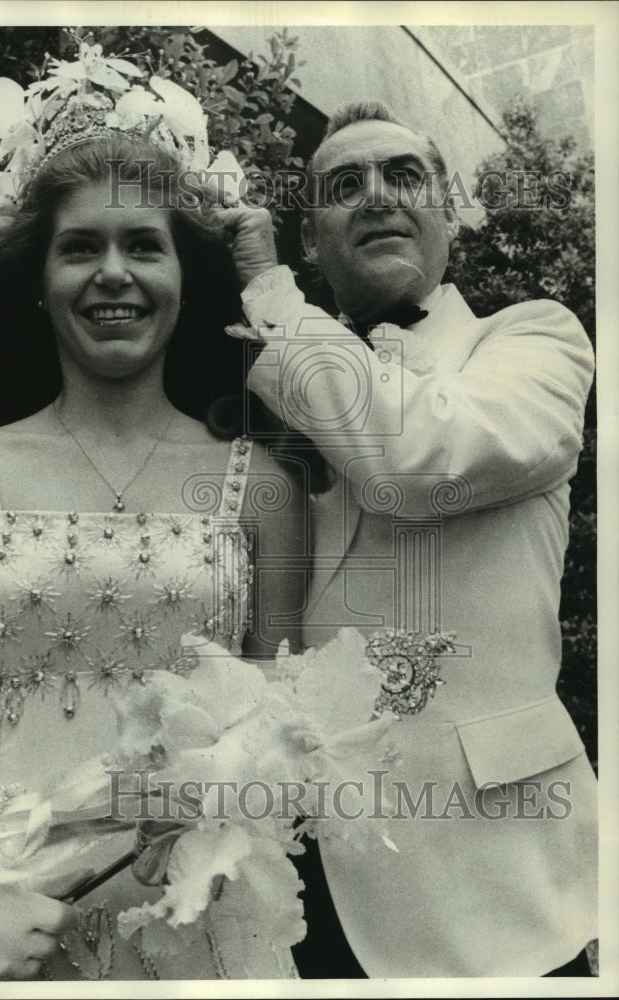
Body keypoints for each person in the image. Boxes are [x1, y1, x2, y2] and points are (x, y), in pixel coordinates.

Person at [0, 124, 307, 981]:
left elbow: (283, 718)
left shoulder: (263, 488)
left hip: (209, 935)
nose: (113, 272)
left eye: (144, 245)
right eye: (79, 247)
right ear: (37, 280)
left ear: (185, 279)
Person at [219, 100, 598, 978]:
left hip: (502, 883)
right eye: (344, 186)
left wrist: (272, 297)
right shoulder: (268, 376)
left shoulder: (535, 339)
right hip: (308, 883)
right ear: (312, 237)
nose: (377, 197)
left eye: (404, 175)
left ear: (451, 211)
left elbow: (415, 462)